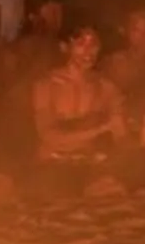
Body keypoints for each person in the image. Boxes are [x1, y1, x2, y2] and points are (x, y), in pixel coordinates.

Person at [26, 25, 124, 175]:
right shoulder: (46, 85)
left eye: (94, 44)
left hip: (90, 165)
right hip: (51, 166)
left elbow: (121, 135)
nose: (88, 51)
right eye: (81, 44)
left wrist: (143, 140)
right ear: (65, 46)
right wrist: (101, 128)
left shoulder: (107, 88)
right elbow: (49, 136)